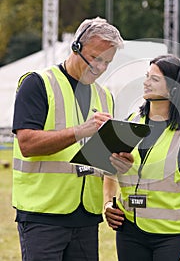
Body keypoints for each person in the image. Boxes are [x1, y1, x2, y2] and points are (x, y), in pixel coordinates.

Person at [12, 16, 134, 261]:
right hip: (43, 214)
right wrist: (80, 130)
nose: (99, 67)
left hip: (86, 216)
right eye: (95, 58)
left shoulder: (105, 96)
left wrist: (120, 160)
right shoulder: (37, 84)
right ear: (76, 47)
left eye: (107, 62)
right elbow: (27, 144)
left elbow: (102, 161)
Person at [104, 54, 180, 261]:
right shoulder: (130, 122)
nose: (145, 82)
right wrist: (108, 204)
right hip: (129, 233)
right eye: (147, 76)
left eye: (154, 79)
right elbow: (110, 168)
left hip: (172, 237)